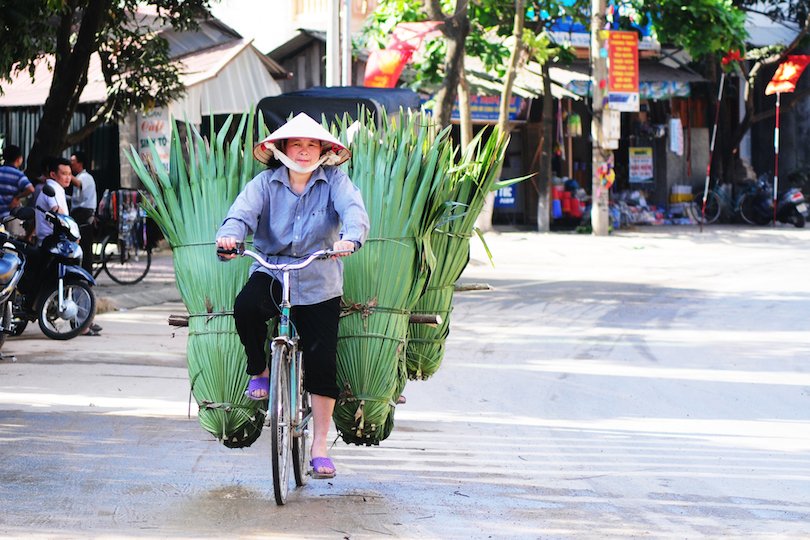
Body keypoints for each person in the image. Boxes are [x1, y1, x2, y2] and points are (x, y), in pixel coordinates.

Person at [216, 113, 369, 479]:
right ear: (282, 149)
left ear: (323, 150)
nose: (303, 151)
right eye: (296, 144)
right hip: (271, 269)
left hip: (319, 277)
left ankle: (318, 446)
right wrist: (230, 237)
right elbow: (240, 215)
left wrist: (351, 237)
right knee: (247, 308)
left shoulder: (335, 181)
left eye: (311, 145)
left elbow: (354, 212)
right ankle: (260, 369)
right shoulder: (265, 184)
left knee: (321, 362)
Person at [69, 151, 97, 274]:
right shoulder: (80, 176)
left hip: (84, 213)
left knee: (84, 245)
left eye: (72, 163)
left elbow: (79, 184)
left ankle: (86, 274)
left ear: (79, 163)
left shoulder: (85, 177)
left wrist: (64, 174)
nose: (70, 165)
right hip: (78, 212)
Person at [0, 144, 35, 218]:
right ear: (19, 159)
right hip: (9, 215)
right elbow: (31, 189)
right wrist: (17, 198)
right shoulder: (18, 174)